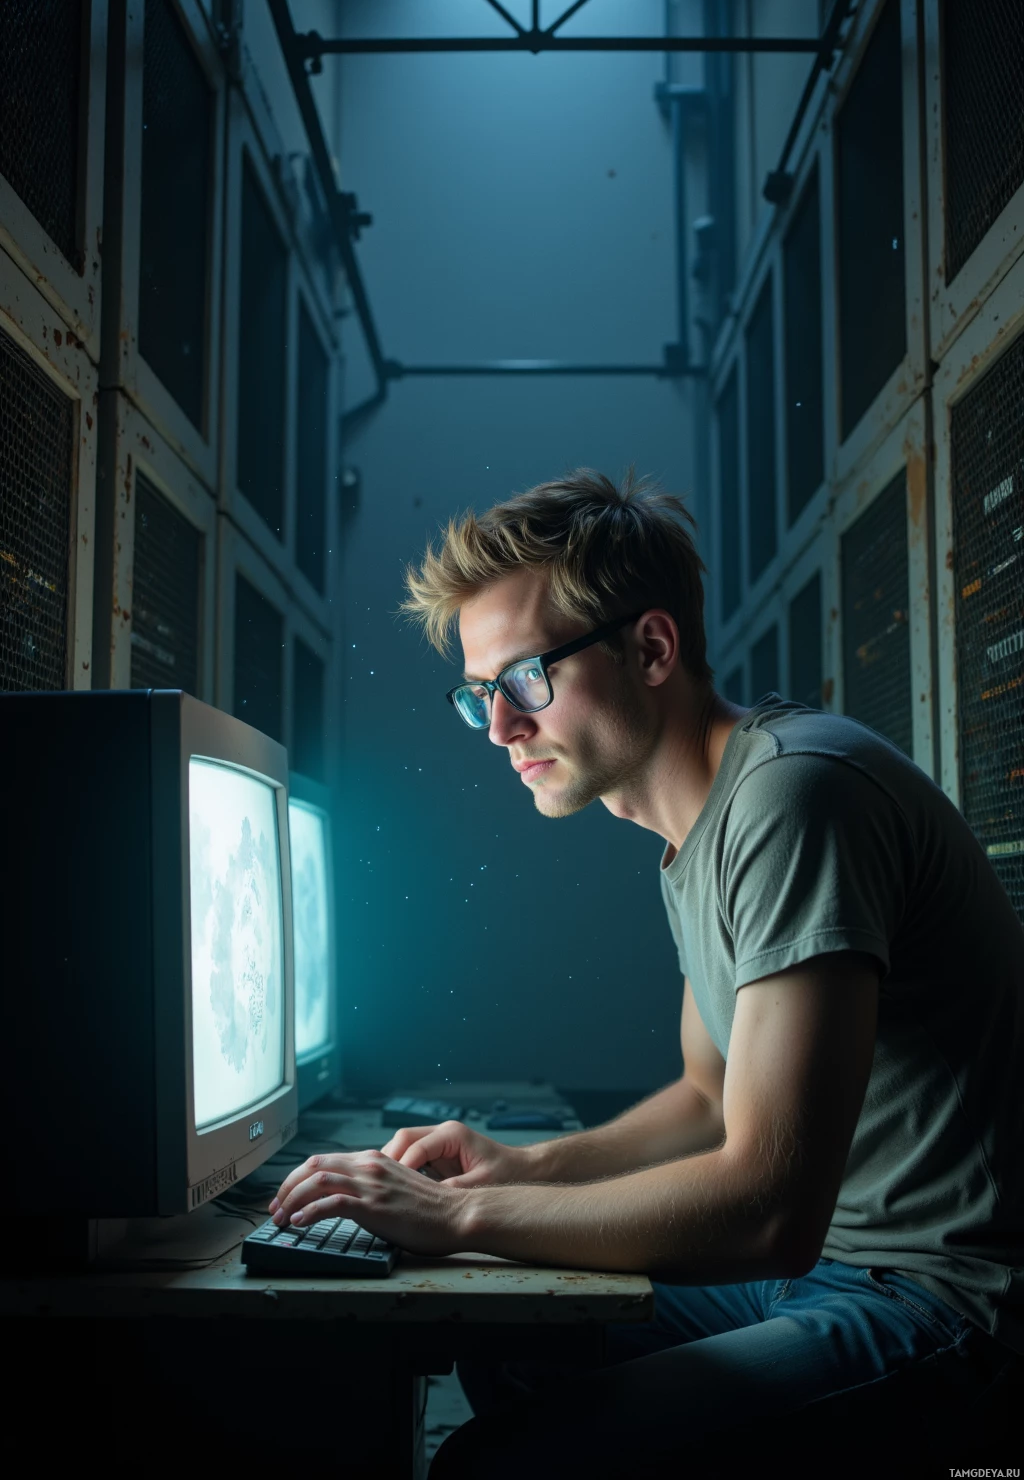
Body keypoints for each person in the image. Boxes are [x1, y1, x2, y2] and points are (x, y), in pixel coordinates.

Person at [270, 470, 1024, 1476]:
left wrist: (457, 1216)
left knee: (492, 1466)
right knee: (516, 1347)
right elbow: (712, 1101)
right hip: (828, 1275)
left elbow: (767, 1209)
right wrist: (519, 1166)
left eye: (526, 679)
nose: (499, 728)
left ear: (652, 647)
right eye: (480, 693)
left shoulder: (795, 800)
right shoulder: (695, 833)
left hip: (944, 1306)